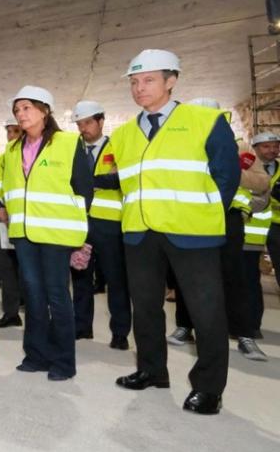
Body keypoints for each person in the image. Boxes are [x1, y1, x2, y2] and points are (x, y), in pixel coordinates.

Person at [110, 49, 238, 415]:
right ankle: (152, 370)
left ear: (171, 80)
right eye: (134, 82)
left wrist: (202, 212)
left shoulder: (206, 120)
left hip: (192, 232)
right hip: (140, 232)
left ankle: (209, 388)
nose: (139, 88)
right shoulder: (123, 135)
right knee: (146, 308)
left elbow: (226, 178)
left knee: (206, 311)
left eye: (148, 80)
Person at [0, 86, 92, 381]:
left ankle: (64, 362)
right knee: (34, 296)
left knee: (57, 296)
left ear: (45, 110)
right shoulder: (12, 150)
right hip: (24, 234)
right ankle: (36, 355)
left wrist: (80, 238)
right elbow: (6, 187)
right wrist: (3, 206)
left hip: (56, 234)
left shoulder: (67, 142)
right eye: (17, 110)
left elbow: (83, 190)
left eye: (26, 108)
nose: (20, 114)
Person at [168, 98, 269, 361]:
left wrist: (230, 168)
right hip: (190, 216)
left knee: (234, 276)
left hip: (227, 218)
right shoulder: (182, 143)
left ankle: (244, 335)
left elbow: (261, 182)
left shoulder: (241, 147)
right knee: (185, 275)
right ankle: (184, 327)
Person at [70, 100, 131, 350]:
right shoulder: (73, 151)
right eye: (79, 124)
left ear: (100, 121)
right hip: (81, 224)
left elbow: (119, 178)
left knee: (116, 281)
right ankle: (82, 327)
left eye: (87, 122)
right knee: (81, 276)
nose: (83, 128)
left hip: (109, 226)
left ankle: (120, 333)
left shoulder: (117, 147)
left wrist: (88, 181)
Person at [0, 118, 24, 327]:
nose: (11, 135)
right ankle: (11, 313)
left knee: (28, 268)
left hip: (26, 220)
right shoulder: (0, 159)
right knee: (7, 268)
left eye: (16, 131)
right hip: (3, 220)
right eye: (9, 131)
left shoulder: (32, 156)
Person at [250, 131, 280, 337]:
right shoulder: (245, 169)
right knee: (250, 277)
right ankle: (250, 325)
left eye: (275, 146)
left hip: (277, 226)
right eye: (266, 146)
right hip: (252, 228)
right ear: (256, 149)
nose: (272, 150)